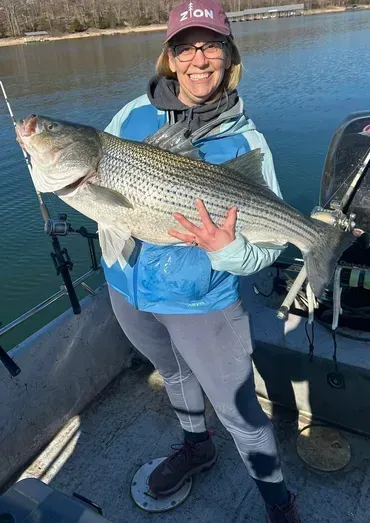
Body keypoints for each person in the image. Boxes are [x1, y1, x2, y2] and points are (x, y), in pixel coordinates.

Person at [102, 1, 301, 521]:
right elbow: (97, 183)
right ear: (169, 57)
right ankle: (197, 446)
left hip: (203, 305)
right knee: (172, 374)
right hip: (129, 292)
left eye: (210, 44)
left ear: (228, 55)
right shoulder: (130, 116)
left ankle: (278, 500)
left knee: (240, 411)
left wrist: (228, 249)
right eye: (184, 47)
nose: (198, 59)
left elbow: (274, 245)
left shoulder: (248, 141)